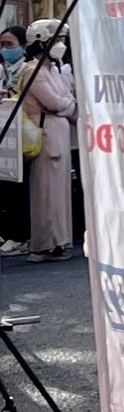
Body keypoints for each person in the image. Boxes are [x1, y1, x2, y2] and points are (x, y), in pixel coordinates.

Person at [18, 20, 77, 262]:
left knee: (59, 190)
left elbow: (68, 100)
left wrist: (67, 103)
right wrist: (67, 104)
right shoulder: (32, 71)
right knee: (46, 191)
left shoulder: (53, 69)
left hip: (59, 133)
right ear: (41, 42)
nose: (61, 45)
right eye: (57, 40)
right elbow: (56, 103)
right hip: (46, 134)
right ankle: (45, 243)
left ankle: (60, 241)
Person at [1, 25, 35, 255]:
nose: (5, 49)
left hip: (21, 133)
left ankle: (20, 235)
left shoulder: (27, 69)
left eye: (9, 44)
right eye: (2, 44)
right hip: (6, 131)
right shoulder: (4, 69)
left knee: (17, 186)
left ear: (23, 46)